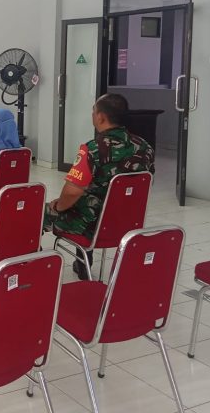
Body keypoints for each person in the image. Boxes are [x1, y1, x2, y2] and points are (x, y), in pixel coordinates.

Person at [45, 93, 154, 280]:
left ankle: (30, 267)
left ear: (101, 117)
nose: (92, 114)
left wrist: (57, 206)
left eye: (93, 111)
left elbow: (72, 193)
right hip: (127, 221)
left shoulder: (93, 149)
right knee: (91, 202)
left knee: (40, 212)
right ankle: (82, 264)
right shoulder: (144, 147)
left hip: (92, 225)